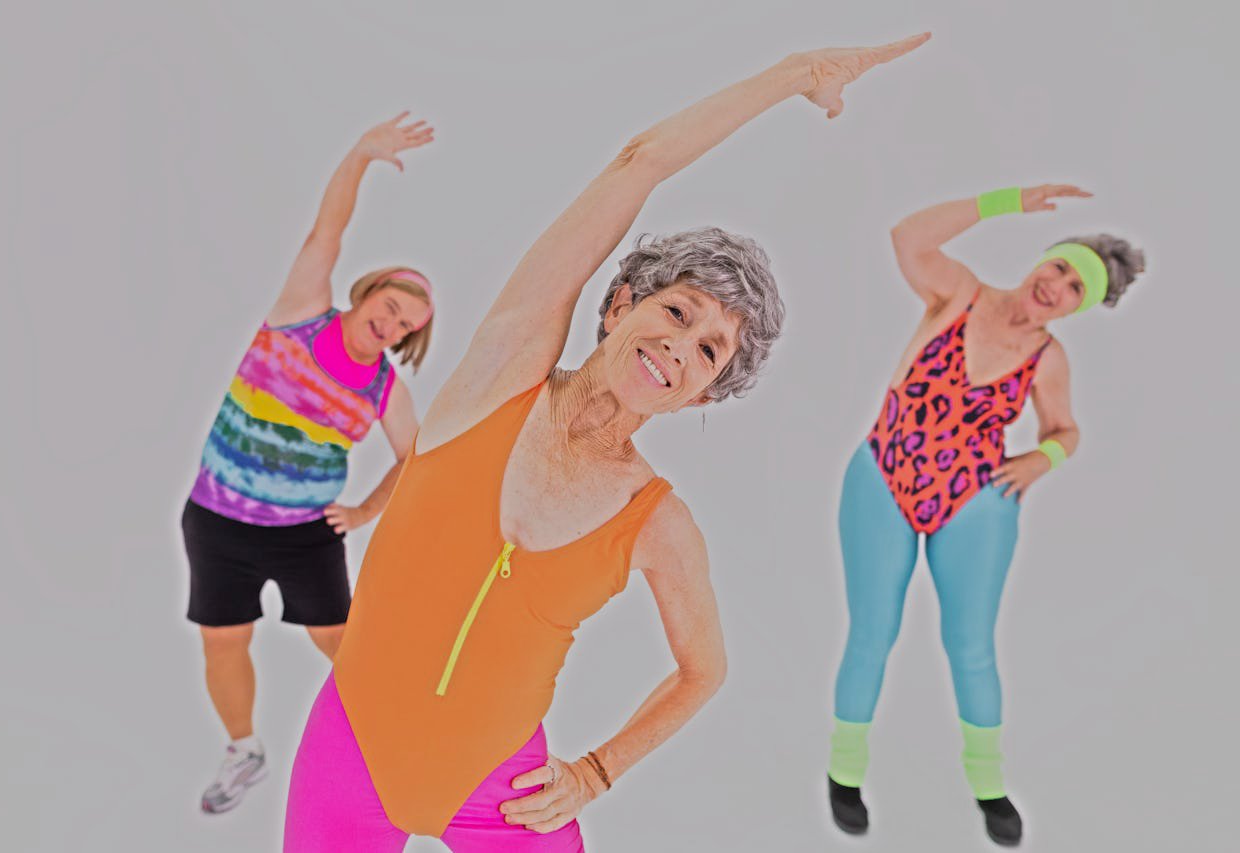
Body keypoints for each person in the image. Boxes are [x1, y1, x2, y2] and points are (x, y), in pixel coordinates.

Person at [283, 34, 929, 853]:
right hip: (349, 756)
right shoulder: (501, 377)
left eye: (709, 352)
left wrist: (596, 771)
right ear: (622, 302)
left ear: (706, 391)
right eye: (677, 312)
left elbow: (704, 669)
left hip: (502, 798)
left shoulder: (656, 520)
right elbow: (638, 162)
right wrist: (795, 75)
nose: (679, 348)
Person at [825, 184, 1146, 845]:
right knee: (872, 634)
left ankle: (988, 783)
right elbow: (907, 237)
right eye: (1061, 267)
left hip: (975, 500)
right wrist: (1006, 201)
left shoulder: (1048, 359)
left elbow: (1066, 429)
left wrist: (1041, 460)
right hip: (883, 476)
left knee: (970, 646)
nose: (1058, 287)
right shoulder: (959, 294)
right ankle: (844, 771)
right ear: (1043, 259)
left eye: (1076, 289)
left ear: (1079, 308)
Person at [180, 113, 436, 814]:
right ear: (367, 292)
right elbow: (328, 232)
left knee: (345, 644)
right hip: (216, 521)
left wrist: (365, 510)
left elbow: (415, 458)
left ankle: (402, 744)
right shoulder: (300, 313)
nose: (391, 325)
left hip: (305, 535)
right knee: (223, 641)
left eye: (405, 325)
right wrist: (361, 154)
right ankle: (245, 751)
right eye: (389, 307)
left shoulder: (384, 386)